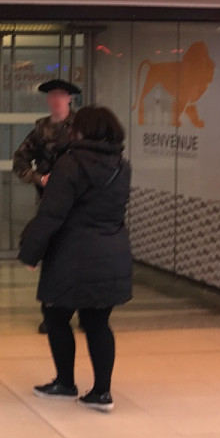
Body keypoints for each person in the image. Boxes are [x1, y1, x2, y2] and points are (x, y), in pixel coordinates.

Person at [17, 106, 132, 413]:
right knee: (98, 322)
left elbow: (51, 215)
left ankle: (65, 383)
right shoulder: (122, 166)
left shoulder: (69, 164)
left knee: (55, 316)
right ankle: (102, 392)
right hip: (112, 250)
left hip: (73, 253)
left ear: (80, 131)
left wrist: (31, 254)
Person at [13, 78, 78, 335]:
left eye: (61, 95)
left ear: (70, 99)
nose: (56, 99)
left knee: (76, 256)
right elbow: (20, 160)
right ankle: (51, 312)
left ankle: (78, 307)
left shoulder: (81, 128)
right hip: (50, 202)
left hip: (77, 203)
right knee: (52, 255)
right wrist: (39, 178)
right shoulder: (41, 130)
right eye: (52, 95)